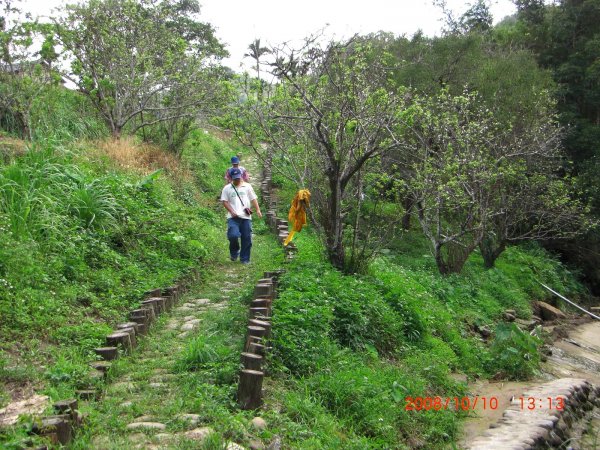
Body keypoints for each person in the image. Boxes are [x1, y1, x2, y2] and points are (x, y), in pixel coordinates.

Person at [220, 168, 262, 264]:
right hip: (233, 217)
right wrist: (231, 211)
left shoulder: (247, 186)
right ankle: (234, 252)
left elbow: (253, 198)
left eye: (238, 178)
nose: (237, 180)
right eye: (235, 178)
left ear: (241, 176)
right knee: (233, 235)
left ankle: (245, 259)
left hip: (246, 217)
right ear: (231, 178)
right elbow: (224, 201)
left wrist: (258, 210)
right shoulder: (227, 188)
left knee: (246, 238)